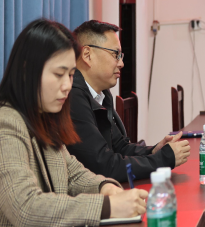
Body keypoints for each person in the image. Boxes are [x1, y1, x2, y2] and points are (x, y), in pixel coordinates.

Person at [0, 19, 148, 227]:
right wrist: (106, 206)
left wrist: (105, 187)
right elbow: (27, 207)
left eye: (71, 75)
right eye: (59, 75)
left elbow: (72, 173)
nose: (67, 85)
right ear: (28, 71)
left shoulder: (41, 116)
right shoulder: (1, 124)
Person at [67, 20, 190, 182]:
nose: (121, 63)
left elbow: (120, 147)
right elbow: (104, 165)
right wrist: (163, 159)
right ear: (87, 55)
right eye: (115, 54)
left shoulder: (101, 94)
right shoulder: (73, 97)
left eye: (121, 56)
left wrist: (154, 151)